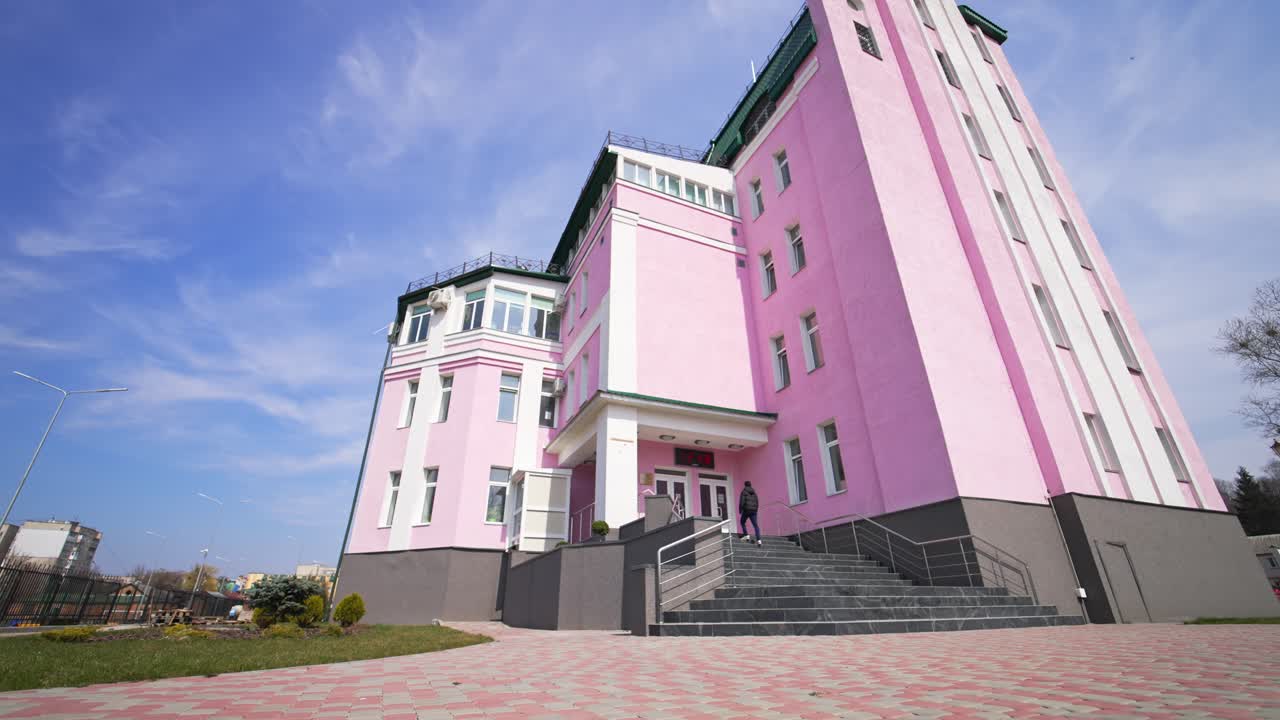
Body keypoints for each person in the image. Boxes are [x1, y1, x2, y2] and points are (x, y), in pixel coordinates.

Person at [739, 481, 761, 545]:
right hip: (754, 511)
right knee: (756, 525)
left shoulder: (743, 492)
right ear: (750, 485)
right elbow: (757, 502)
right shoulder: (754, 493)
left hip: (746, 510)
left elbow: (741, 502)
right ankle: (759, 540)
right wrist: (756, 510)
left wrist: (740, 510)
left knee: (742, 522)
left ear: (745, 485)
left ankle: (746, 535)